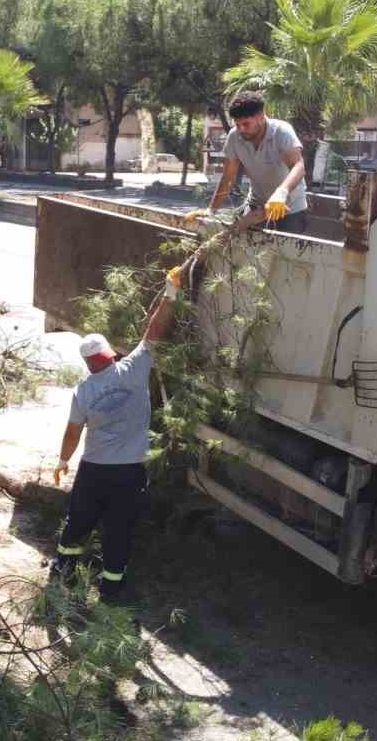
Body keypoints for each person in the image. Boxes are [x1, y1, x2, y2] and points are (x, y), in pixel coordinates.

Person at [49, 265, 181, 602]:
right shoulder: (133, 369)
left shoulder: (83, 392)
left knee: (78, 522)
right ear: (108, 355)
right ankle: (111, 588)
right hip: (129, 471)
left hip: (93, 470)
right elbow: (153, 331)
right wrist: (170, 292)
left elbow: (72, 432)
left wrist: (63, 461)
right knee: (119, 530)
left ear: (88, 363)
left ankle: (62, 574)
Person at [185, 91, 310, 235]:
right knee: (241, 248)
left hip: (290, 209)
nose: (241, 130)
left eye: (246, 124)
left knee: (284, 255)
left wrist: (281, 192)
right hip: (256, 207)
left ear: (261, 117)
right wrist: (212, 210)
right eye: (237, 125)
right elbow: (228, 179)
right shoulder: (234, 137)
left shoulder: (282, 131)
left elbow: (298, 166)